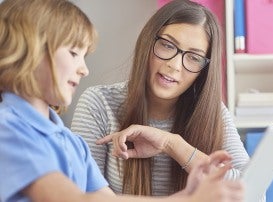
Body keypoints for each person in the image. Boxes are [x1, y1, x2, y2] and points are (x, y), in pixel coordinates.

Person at [0, 0, 244, 201]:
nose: (174, 64)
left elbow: (107, 199)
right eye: (74, 53)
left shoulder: (68, 141)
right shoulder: (9, 128)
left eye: (194, 57)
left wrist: (175, 151)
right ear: (29, 52)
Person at [71, 0, 250, 196]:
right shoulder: (100, 103)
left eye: (194, 57)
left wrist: (172, 144)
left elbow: (252, 193)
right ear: (148, 42)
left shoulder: (214, 113)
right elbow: (81, 195)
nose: (175, 65)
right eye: (167, 45)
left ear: (204, 70)